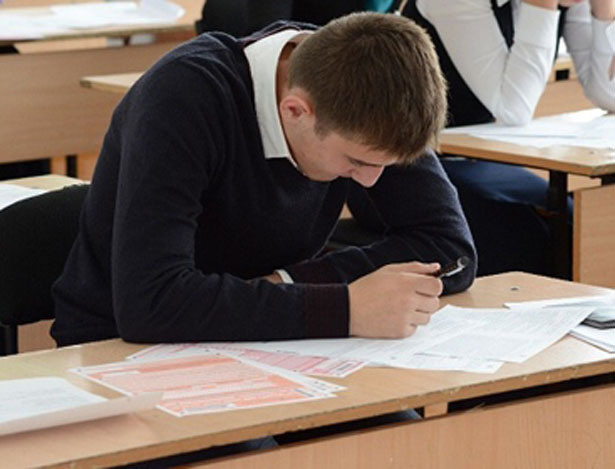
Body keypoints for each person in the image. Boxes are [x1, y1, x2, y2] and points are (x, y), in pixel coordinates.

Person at [51, 12, 476, 347]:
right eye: (355, 162)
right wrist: (345, 307)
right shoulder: (183, 97)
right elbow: (151, 303)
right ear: (296, 111)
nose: (369, 182)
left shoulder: (370, 87)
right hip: (120, 348)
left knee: (400, 427)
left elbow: (450, 248)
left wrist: (293, 284)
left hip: (266, 339)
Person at [290, 0, 614, 277]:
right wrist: (540, 5)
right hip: (399, 168)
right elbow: (514, 108)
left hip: (481, 162)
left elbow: (607, 93)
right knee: (531, 231)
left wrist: (605, 14)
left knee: (573, 221)